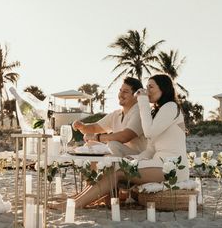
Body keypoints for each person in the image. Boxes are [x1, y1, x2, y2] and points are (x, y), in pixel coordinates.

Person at [74, 74, 189, 208]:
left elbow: (148, 131)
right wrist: (135, 158)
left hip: (173, 166)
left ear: (163, 89)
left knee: (118, 173)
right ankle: (77, 200)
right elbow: (151, 149)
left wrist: (143, 102)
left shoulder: (171, 107)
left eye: (151, 87)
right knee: (117, 168)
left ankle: (77, 203)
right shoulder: (157, 112)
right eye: (146, 87)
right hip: (158, 162)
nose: (146, 91)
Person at [72, 77, 147, 157]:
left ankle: (113, 169)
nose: (120, 95)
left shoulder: (140, 112)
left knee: (113, 145)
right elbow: (94, 128)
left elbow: (125, 136)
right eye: (120, 91)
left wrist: (96, 137)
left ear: (136, 96)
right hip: (119, 153)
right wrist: (81, 126)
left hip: (137, 158)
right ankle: (95, 169)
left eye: (125, 92)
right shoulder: (116, 114)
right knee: (90, 145)